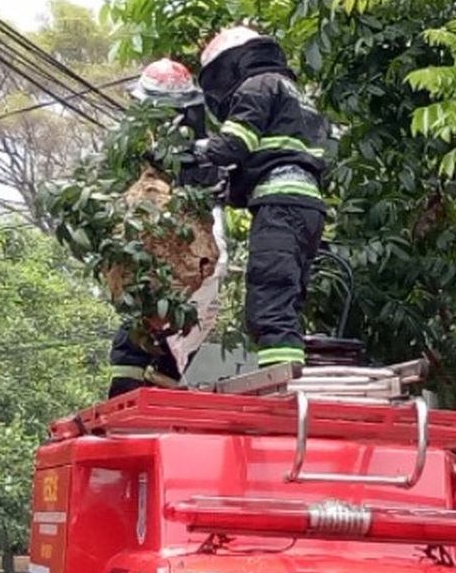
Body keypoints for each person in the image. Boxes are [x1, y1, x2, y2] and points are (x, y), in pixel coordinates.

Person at [196, 26, 329, 367]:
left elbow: (235, 144)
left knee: (269, 298)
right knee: (287, 296)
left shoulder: (258, 86)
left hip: (280, 206)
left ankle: (281, 383)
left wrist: (196, 150)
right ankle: (287, 371)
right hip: (306, 206)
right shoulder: (294, 93)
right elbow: (274, 153)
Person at [108, 57, 225, 397]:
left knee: (148, 336)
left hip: (193, 253)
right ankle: (151, 384)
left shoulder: (192, 158)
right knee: (151, 336)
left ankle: (145, 387)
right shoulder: (195, 154)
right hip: (186, 257)